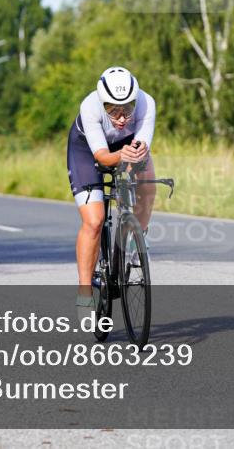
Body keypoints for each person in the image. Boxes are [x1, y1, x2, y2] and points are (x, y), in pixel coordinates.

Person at [66, 66, 156, 315]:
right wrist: (121, 156)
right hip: (88, 151)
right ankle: (85, 291)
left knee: (147, 184)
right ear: (102, 103)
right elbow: (103, 157)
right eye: (112, 109)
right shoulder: (90, 106)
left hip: (125, 146)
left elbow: (141, 148)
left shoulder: (147, 103)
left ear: (136, 101)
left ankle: (138, 238)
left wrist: (134, 156)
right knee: (94, 221)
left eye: (127, 107)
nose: (121, 116)